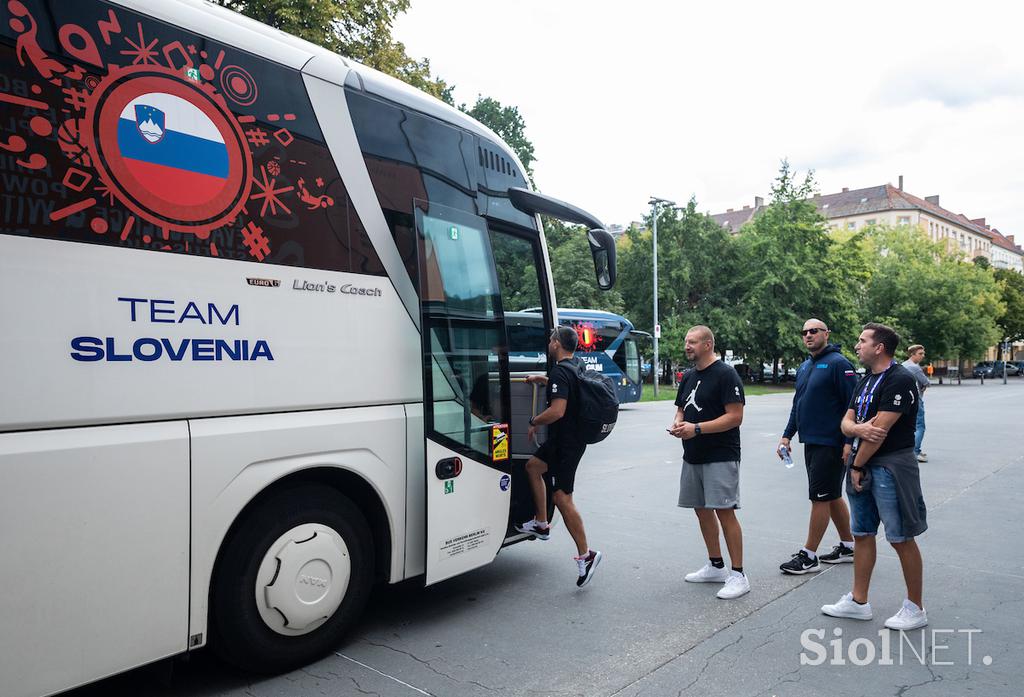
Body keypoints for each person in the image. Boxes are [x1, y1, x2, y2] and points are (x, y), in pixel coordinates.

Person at [822, 323, 928, 630]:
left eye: (862, 341)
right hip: (862, 463)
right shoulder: (866, 380)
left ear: (879, 347)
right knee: (863, 533)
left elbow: (879, 432)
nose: (857, 345)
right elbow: (848, 421)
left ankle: (915, 607)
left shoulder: (900, 380)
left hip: (890, 467)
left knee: (900, 537)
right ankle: (858, 601)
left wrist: (856, 465)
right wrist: (854, 432)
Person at [515, 326, 602, 588]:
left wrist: (533, 420)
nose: (550, 342)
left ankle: (587, 555)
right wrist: (542, 380)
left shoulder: (560, 372)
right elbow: (565, 389)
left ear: (556, 344)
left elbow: (557, 410)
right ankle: (541, 523)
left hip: (567, 444)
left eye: (551, 339)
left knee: (562, 498)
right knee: (533, 467)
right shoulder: (574, 366)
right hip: (563, 441)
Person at [669, 325, 749, 599]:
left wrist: (697, 428)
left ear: (707, 345)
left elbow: (735, 417)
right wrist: (678, 423)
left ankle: (739, 575)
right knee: (701, 509)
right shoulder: (690, 375)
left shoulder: (726, 374)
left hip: (720, 454)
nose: (687, 346)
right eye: (686, 341)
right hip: (693, 454)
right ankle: (716, 566)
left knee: (724, 511)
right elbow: (681, 408)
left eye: (692, 342)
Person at [777, 319, 858, 574]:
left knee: (820, 497)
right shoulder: (805, 366)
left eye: (814, 331)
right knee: (831, 495)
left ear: (826, 334)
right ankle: (848, 546)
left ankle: (809, 556)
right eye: (804, 332)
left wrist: (848, 442)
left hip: (831, 442)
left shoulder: (839, 364)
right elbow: (797, 404)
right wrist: (787, 435)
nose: (808, 335)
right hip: (811, 441)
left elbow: (852, 406)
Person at [902, 344, 930, 463]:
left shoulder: (903, 365)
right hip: (916, 398)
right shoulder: (914, 367)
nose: (923, 356)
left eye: (923, 353)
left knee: (909, 425)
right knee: (920, 426)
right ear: (912, 354)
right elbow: (926, 382)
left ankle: (908, 451)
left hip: (905, 398)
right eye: (920, 354)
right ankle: (915, 451)